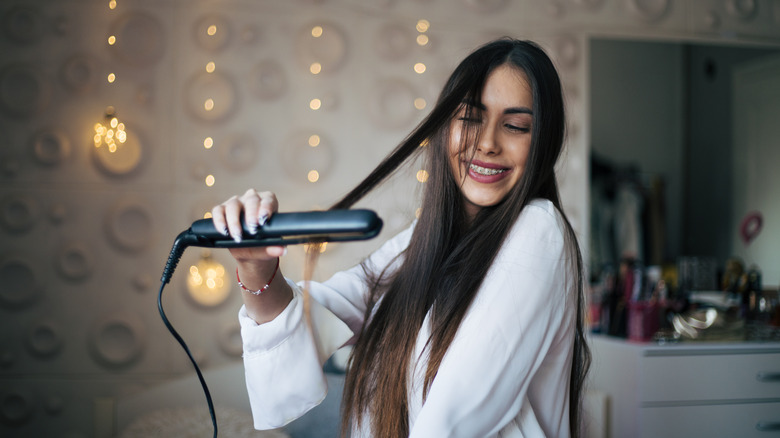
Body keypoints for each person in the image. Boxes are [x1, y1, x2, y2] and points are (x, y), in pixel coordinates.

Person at [210, 38, 590, 437]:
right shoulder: (423, 242)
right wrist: (255, 267)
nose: (488, 143)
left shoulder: (539, 231)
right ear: (445, 127)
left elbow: (454, 416)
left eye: (515, 126)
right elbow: (316, 314)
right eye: (470, 118)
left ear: (543, 142)